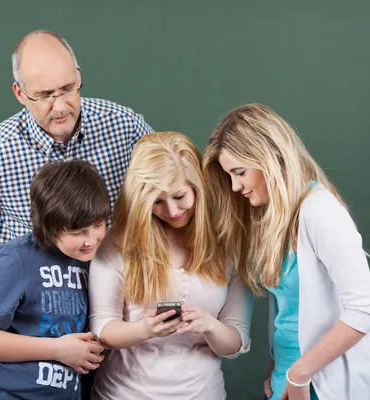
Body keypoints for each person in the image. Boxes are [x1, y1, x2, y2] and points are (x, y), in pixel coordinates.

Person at [0, 29, 153, 306]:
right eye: (45, 95)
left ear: (79, 76)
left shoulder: (125, 127)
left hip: (119, 313)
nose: (60, 106)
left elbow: (164, 199)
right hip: (35, 325)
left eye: (67, 89)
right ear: (20, 93)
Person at [202, 104, 370, 400]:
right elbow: (294, 311)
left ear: (271, 157)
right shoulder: (276, 219)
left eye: (239, 173)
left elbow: (366, 309)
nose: (235, 187)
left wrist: (299, 375)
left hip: (320, 385)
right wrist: (281, 370)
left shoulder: (320, 211)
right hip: (288, 379)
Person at [88, 132, 253, 399]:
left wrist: (209, 324)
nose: (173, 211)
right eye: (157, 202)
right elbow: (104, 328)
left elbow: (235, 342)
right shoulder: (119, 243)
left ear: (197, 186)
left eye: (179, 196)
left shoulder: (228, 246)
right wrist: (145, 329)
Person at [0, 160, 108, 399]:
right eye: (78, 233)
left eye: (98, 225)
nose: (91, 239)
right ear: (50, 226)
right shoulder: (14, 260)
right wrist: (58, 349)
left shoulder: (91, 260)